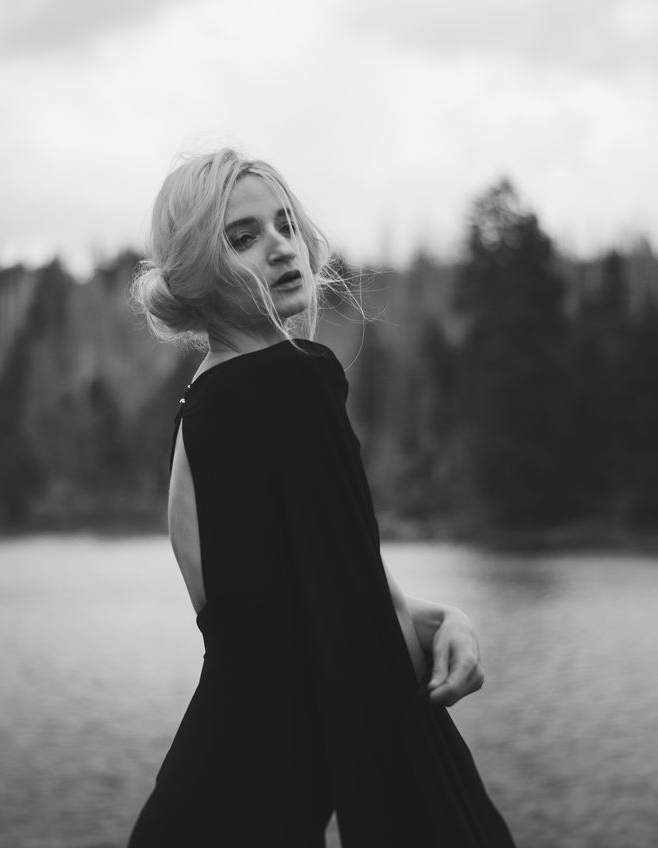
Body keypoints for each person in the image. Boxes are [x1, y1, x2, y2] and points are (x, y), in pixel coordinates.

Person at [127, 148, 516, 847]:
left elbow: (304, 602)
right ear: (199, 273)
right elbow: (359, 647)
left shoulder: (206, 399)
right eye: (241, 238)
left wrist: (434, 620)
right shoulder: (290, 383)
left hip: (209, 803)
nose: (280, 249)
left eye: (284, 225)